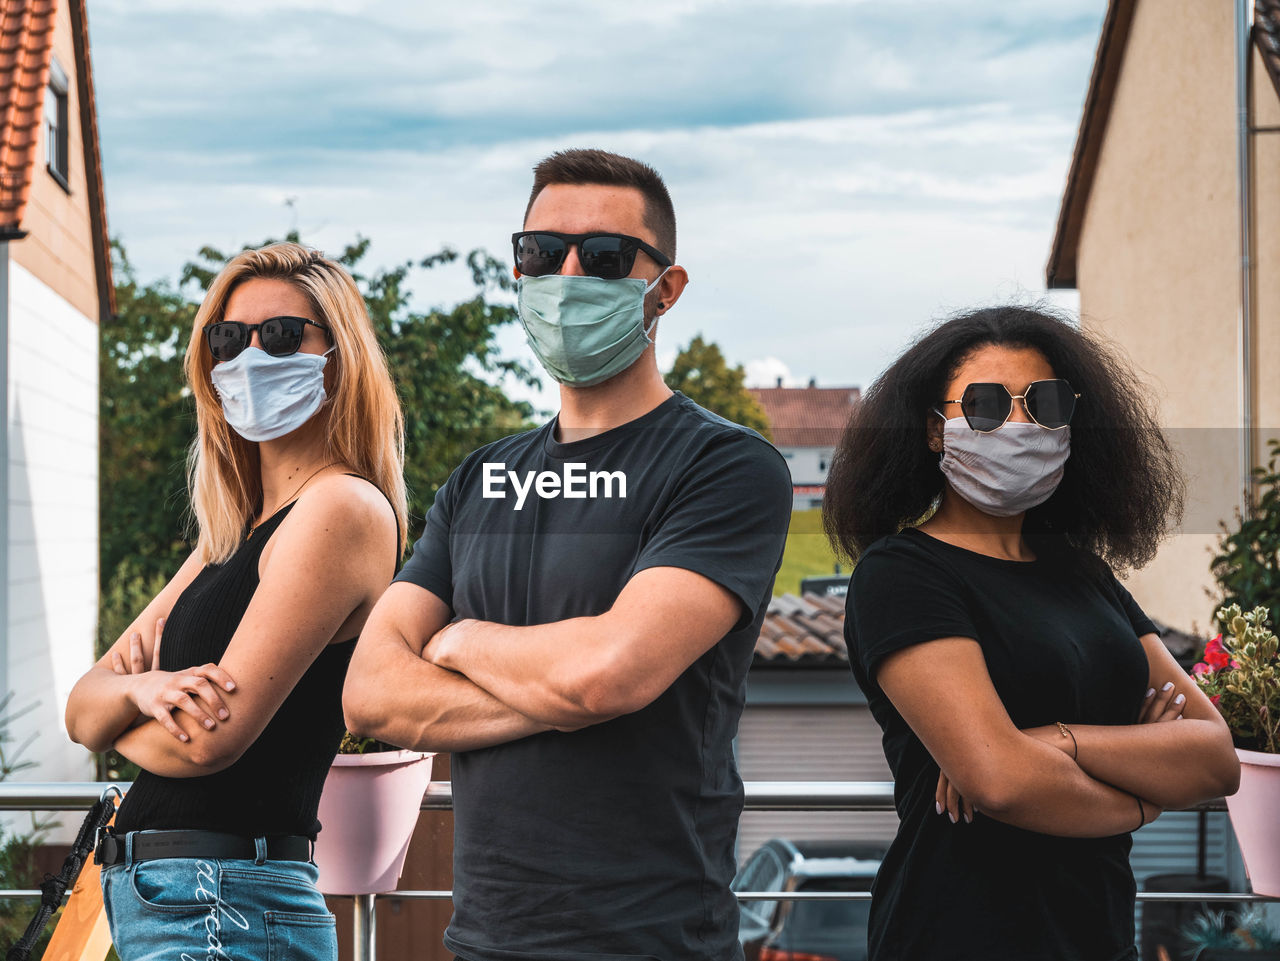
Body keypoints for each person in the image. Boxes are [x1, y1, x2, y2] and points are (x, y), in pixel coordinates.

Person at [343, 148, 793, 961]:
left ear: (667, 287)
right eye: (541, 253)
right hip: (485, 939)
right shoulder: (481, 478)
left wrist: (459, 641)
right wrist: (578, 692)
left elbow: (609, 674)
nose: (569, 274)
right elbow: (371, 694)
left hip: (654, 940)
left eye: (607, 256)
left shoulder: (725, 466)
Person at [821, 305, 1240, 961]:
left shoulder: (1084, 573)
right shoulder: (901, 574)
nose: (1019, 424)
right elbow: (998, 781)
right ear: (936, 429)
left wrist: (1057, 740)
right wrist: (1145, 795)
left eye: (1044, 403)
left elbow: (1215, 756)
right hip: (955, 937)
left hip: (1098, 937)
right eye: (986, 404)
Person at [65, 242, 406, 961]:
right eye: (228, 338)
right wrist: (150, 690)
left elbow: (207, 740)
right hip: (175, 903)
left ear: (338, 357)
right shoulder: (233, 527)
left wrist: (120, 706)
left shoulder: (340, 508)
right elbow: (78, 708)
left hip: (225, 906)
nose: (251, 356)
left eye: (281, 335)